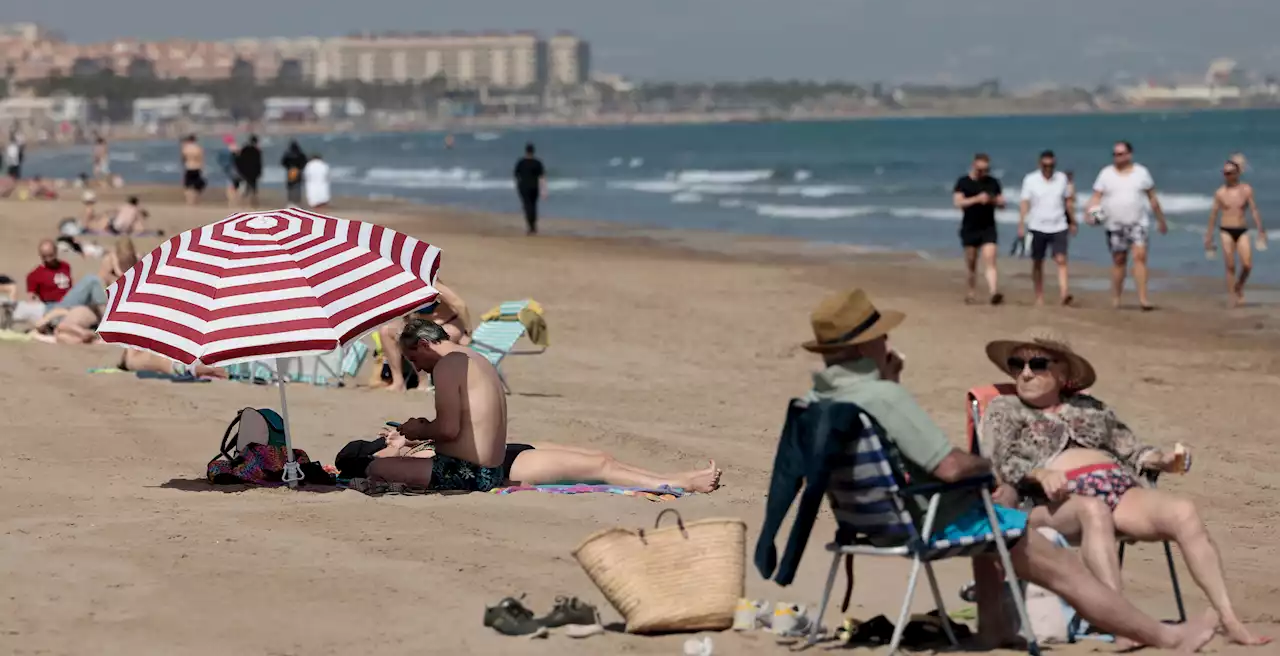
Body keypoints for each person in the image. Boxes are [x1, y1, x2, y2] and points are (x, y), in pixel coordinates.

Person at [791, 288, 1217, 651]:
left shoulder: (816, 404)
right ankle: (1164, 637)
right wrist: (981, 466)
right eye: (880, 336)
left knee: (987, 515)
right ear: (865, 347)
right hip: (923, 521)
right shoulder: (883, 397)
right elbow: (952, 465)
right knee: (1057, 564)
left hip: (865, 522)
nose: (887, 342)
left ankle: (994, 629)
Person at [980, 329, 1268, 646]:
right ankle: (1121, 626)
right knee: (1094, 510)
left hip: (1118, 490)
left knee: (1183, 512)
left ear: (1062, 372)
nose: (1025, 372)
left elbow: (1131, 450)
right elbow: (995, 462)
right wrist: (1038, 473)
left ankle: (1229, 620)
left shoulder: (1089, 407)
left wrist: (1163, 459)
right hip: (1047, 504)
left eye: (1037, 363)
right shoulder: (1004, 410)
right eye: (1016, 364)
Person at [367, 319, 720, 493]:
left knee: (373, 471)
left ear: (424, 347)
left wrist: (416, 429)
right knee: (600, 462)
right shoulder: (475, 357)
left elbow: (447, 430)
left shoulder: (445, 366)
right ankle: (676, 481)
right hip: (496, 460)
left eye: (413, 359)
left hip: (469, 473)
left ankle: (677, 482)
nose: (417, 368)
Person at [1085, 141, 1168, 311]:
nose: (1118, 157)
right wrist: (1090, 214)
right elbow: (1096, 197)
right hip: (1114, 224)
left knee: (1140, 257)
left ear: (1129, 155)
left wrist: (1161, 220)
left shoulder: (1141, 173)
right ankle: (1116, 297)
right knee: (1119, 261)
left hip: (1138, 223)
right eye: (1115, 154)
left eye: (1121, 154)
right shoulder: (1106, 174)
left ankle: (1143, 299)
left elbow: (1152, 197)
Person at [377, 281, 472, 391]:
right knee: (386, 331)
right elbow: (406, 314)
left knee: (415, 339)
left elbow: (460, 304)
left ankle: (424, 382)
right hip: (424, 326)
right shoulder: (405, 286)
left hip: (448, 324)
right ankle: (398, 382)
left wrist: (468, 332)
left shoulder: (433, 284)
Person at [1205, 154, 1266, 308]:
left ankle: (1239, 285)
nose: (1227, 176)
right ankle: (1233, 295)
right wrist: (1209, 236)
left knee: (1247, 265)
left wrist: (1260, 230)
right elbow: (1213, 215)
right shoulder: (1220, 193)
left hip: (1242, 230)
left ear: (1237, 173)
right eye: (1225, 173)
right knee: (1230, 265)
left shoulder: (1246, 190)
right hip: (1226, 230)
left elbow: (1254, 210)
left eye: (1230, 173)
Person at [1018, 150, 1076, 306]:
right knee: (1038, 262)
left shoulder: (1062, 179)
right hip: (1037, 226)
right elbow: (1025, 202)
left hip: (1059, 225)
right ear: (1040, 164)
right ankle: (1039, 295)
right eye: (1045, 165)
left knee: (1061, 259)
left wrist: (1073, 222)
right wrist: (1022, 224)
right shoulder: (1030, 179)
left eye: (1051, 165)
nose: (1048, 168)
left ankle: (1064, 294)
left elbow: (1068, 201)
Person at [952, 153, 1005, 305]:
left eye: (986, 170)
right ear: (974, 166)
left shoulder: (993, 182)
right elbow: (958, 202)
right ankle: (971, 291)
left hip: (988, 226)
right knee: (971, 261)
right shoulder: (963, 182)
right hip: (970, 226)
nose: (983, 173)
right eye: (980, 170)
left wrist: (993, 200)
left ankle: (994, 292)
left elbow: (1002, 203)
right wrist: (977, 199)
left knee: (990, 259)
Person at [513, 143, 546, 235]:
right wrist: (544, 190)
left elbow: (516, 175)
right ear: (533, 151)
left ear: (526, 151)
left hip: (523, 187)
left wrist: (518, 186)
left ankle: (530, 227)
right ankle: (533, 226)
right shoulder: (538, 163)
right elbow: (542, 177)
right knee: (533, 206)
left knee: (527, 206)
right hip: (535, 187)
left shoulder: (521, 162)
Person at [26, 240, 73, 305]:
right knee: (89, 279)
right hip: (52, 304)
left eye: (51, 255)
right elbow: (30, 297)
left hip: (70, 299)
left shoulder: (65, 266)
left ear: (56, 251)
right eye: (44, 257)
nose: (48, 260)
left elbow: (69, 287)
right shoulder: (34, 275)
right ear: (40, 255)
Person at [236, 135, 264, 208]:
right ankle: (253, 203)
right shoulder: (257, 151)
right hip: (253, 172)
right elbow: (259, 163)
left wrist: (240, 170)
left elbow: (238, 160)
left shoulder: (244, 149)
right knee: (253, 187)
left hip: (245, 172)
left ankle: (243, 204)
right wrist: (259, 172)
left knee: (246, 187)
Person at [180, 134, 205, 205]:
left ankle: (189, 201)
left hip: (188, 167)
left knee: (188, 186)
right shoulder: (198, 148)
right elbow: (201, 159)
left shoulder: (185, 148)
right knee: (197, 185)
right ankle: (195, 201)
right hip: (197, 167)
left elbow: (183, 159)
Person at [216, 135, 241, 208]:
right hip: (238, 170)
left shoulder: (225, 150)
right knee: (237, 186)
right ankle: (237, 201)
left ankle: (231, 202)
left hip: (229, 169)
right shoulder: (238, 148)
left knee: (230, 186)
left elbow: (221, 161)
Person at [281, 141, 308, 207]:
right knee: (298, 187)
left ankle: (290, 201)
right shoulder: (301, 154)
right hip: (298, 172)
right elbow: (304, 162)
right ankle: (297, 201)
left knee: (290, 187)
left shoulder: (287, 154)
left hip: (290, 171)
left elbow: (283, 162)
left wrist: (289, 167)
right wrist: (299, 168)